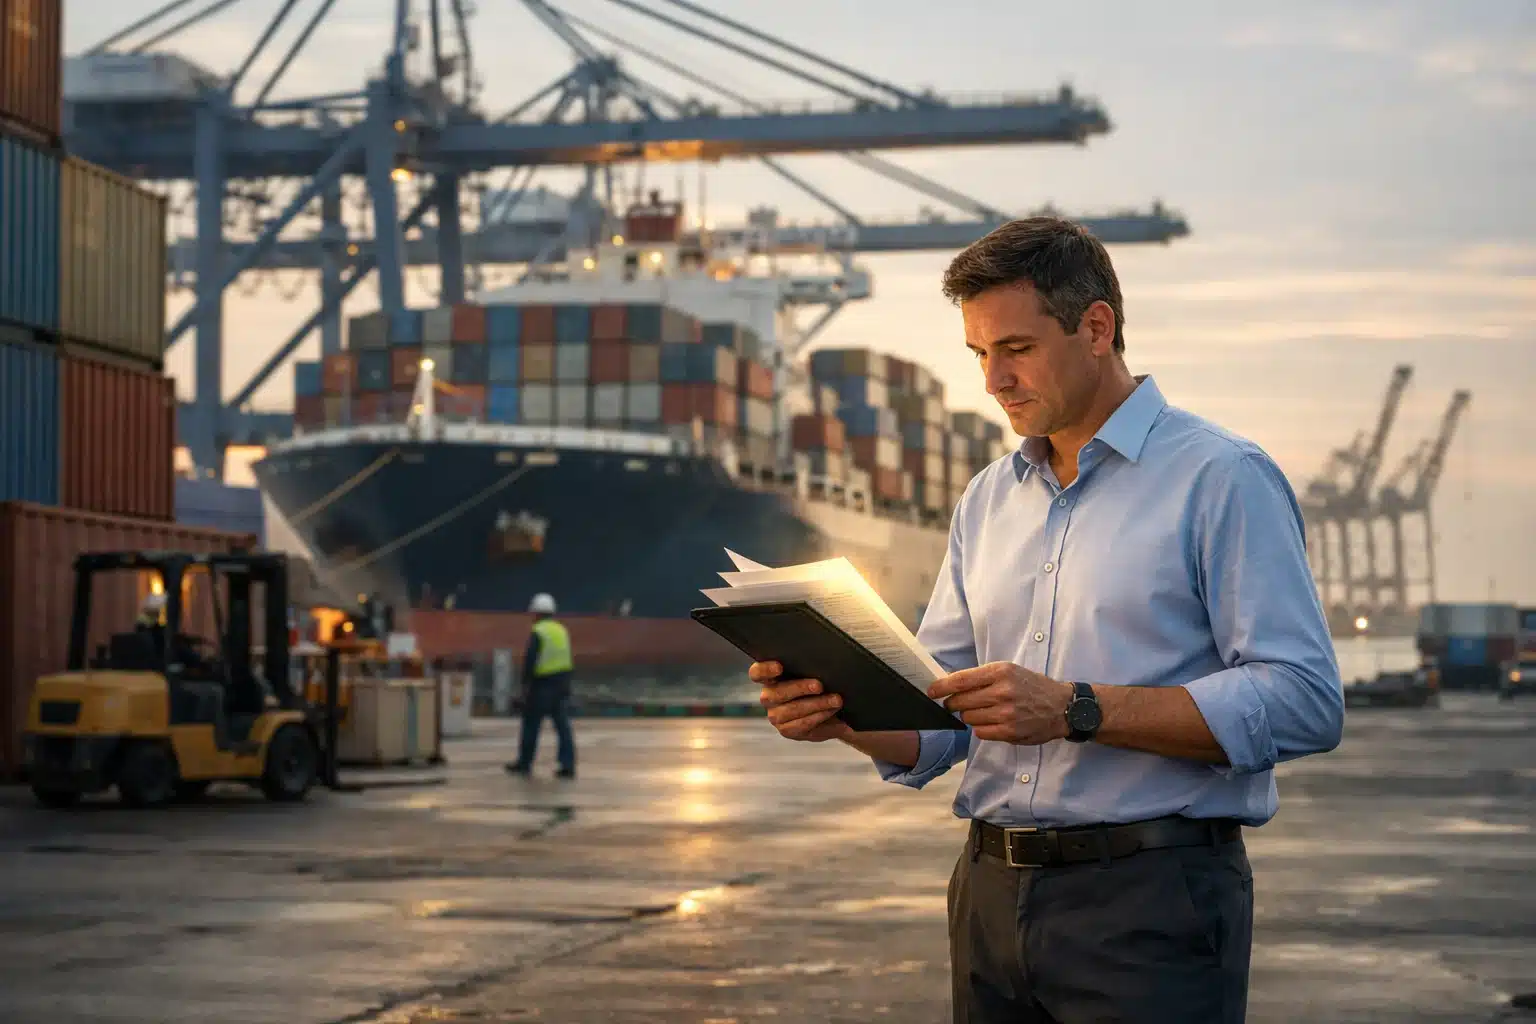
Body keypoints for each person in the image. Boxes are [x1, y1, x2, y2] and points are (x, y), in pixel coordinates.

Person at [753, 216, 1345, 1023]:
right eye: (978, 356)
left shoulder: (1221, 478)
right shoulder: (987, 498)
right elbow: (939, 721)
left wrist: (1076, 709)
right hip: (988, 898)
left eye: (1016, 349)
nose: (993, 381)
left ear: (1096, 327)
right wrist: (842, 715)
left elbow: (1305, 699)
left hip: (1151, 902)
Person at [505, 592, 577, 779]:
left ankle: (524, 763)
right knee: (563, 727)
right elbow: (568, 659)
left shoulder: (539, 631)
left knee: (531, 724)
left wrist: (524, 687)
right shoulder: (562, 630)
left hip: (542, 685)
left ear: (536, 613)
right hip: (561, 685)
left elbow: (530, 661)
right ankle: (567, 765)